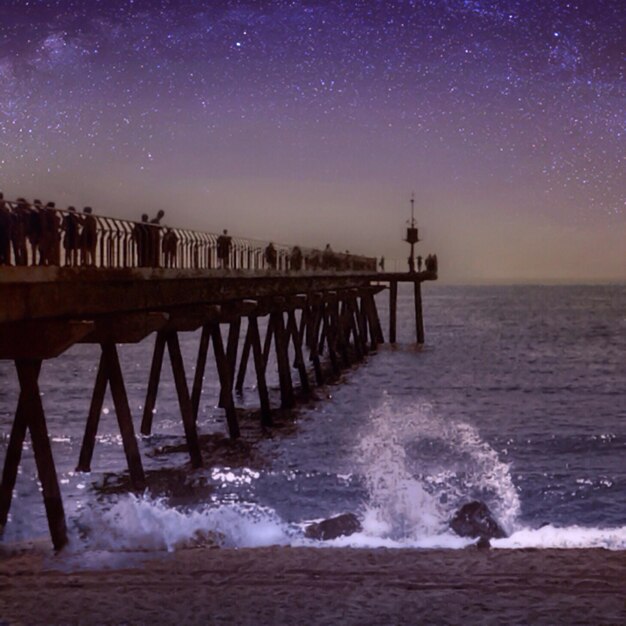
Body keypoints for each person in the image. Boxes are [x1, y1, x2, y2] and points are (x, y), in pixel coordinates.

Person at [0, 192, 12, 265]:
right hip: (3, 230)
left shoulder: (5, 209)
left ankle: (6, 261)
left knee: (4, 246)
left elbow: (8, 220)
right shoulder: (5, 209)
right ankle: (3, 260)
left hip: (4, 230)